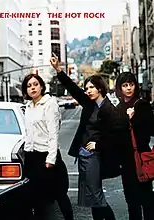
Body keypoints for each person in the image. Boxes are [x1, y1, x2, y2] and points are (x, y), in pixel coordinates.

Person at [50, 53, 119, 220]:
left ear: (100, 88)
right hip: (84, 156)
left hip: (97, 157)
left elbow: (115, 134)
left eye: (91, 88)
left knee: (96, 195)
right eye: (86, 88)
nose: (87, 91)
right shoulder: (89, 103)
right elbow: (73, 89)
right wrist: (59, 70)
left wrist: (98, 145)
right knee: (91, 197)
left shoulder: (108, 109)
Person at [21, 73, 73, 220]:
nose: (33, 88)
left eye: (35, 84)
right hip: (32, 156)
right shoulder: (29, 106)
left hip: (47, 157)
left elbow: (53, 133)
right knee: (36, 198)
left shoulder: (49, 104)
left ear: (42, 86)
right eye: (29, 86)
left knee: (59, 194)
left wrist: (51, 159)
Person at [115, 72, 154, 220]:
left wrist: (133, 119)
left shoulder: (142, 105)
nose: (129, 88)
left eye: (131, 84)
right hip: (126, 160)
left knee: (147, 198)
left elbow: (149, 130)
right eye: (125, 85)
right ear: (120, 88)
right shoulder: (119, 108)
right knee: (131, 200)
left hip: (142, 157)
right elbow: (116, 134)